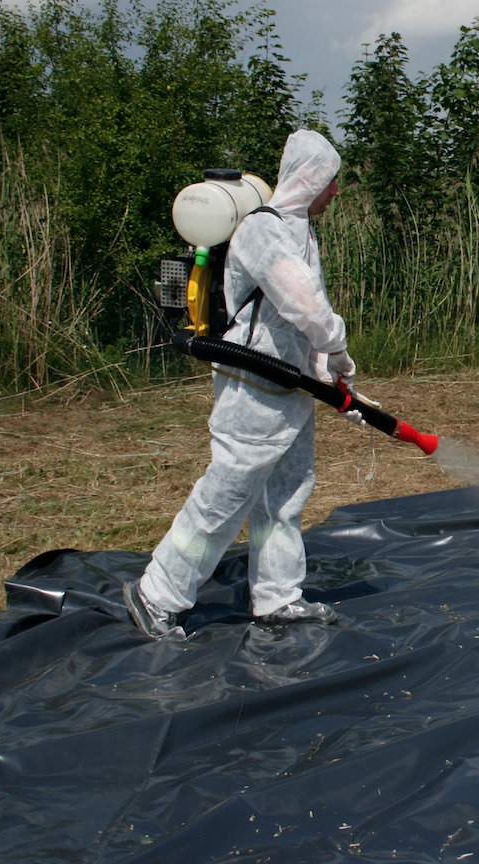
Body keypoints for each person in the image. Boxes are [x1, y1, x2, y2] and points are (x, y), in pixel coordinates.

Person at [123, 129, 356, 640]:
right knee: (225, 496)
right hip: (252, 390)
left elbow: (299, 311)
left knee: (285, 497)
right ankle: (157, 594)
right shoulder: (263, 230)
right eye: (332, 182)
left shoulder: (301, 229)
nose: (336, 193)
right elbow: (305, 305)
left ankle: (277, 597)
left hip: (289, 391)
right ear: (311, 178)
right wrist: (336, 346)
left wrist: (323, 366)